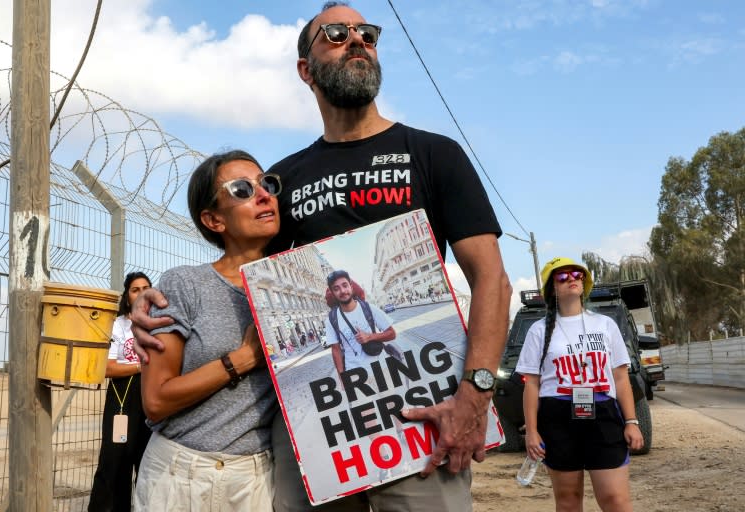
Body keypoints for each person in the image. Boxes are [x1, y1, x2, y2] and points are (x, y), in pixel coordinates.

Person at [132, 2, 512, 510]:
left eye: (366, 32)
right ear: (305, 70)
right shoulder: (284, 179)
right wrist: (155, 303)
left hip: (421, 424)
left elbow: (493, 281)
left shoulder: (434, 153)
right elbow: (245, 273)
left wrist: (476, 395)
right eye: (336, 33)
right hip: (317, 431)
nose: (356, 39)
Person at [133, 150, 281, 511]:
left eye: (267, 184)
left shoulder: (295, 288)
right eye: (242, 190)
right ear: (214, 220)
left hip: (256, 479)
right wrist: (244, 358)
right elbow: (155, 401)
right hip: (181, 477)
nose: (263, 195)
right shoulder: (185, 284)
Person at [515, 257, 644, 512]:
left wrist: (631, 422)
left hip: (604, 413)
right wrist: (531, 431)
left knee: (615, 500)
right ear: (552, 289)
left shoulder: (605, 324)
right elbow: (531, 384)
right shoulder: (538, 331)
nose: (571, 279)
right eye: (562, 277)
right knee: (568, 501)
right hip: (558, 418)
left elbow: (620, 376)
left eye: (576, 275)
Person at [88, 272, 153, 512]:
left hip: (152, 397)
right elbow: (107, 367)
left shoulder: (161, 324)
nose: (141, 293)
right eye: (135, 289)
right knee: (114, 462)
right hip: (123, 398)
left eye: (146, 288)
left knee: (148, 463)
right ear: (127, 296)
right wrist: (141, 366)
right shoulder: (117, 325)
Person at [324, 269, 396, 376]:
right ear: (333, 293)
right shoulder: (331, 319)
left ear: (351, 287)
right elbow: (336, 350)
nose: (343, 291)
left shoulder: (369, 308)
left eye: (345, 285)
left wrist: (370, 337)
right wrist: (341, 377)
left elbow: (392, 334)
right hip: (355, 375)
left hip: (381, 368)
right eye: (336, 288)